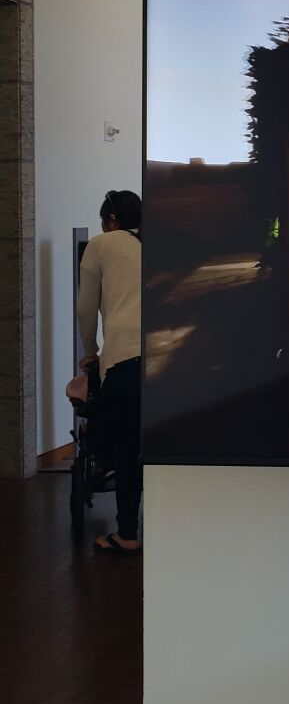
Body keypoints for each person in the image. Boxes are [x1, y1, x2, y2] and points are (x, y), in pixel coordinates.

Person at [78, 189, 143, 555]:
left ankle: (128, 533)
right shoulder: (156, 243)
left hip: (124, 360)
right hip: (164, 360)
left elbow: (86, 309)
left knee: (125, 450)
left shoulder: (100, 245)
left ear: (112, 220)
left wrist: (91, 353)